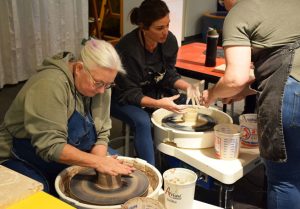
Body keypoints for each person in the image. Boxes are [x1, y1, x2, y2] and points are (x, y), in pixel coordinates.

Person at [0, 39, 135, 195]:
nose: (102, 91)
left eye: (108, 85)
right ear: (79, 68)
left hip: (66, 151)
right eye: (98, 83)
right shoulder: (50, 84)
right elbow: (51, 146)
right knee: (43, 197)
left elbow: (102, 132)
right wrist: (98, 162)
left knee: (115, 164)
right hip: (21, 156)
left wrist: (100, 166)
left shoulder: (102, 83)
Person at [202, 0, 300, 208]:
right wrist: (242, 91)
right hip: (291, 86)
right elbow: (281, 61)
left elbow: (234, 78)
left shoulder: (241, 11)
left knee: (285, 181)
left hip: (292, 98)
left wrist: (212, 93)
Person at [111, 0, 200, 165]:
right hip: (123, 97)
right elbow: (130, 93)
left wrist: (188, 87)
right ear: (143, 28)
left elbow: (167, 75)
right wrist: (158, 104)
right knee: (143, 121)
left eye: (167, 25)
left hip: (152, 91)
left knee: (186, 106)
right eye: (159, 28)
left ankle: (176, 169)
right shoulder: (128, 49)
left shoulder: (169, 41)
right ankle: (152, 177)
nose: (165, 32)